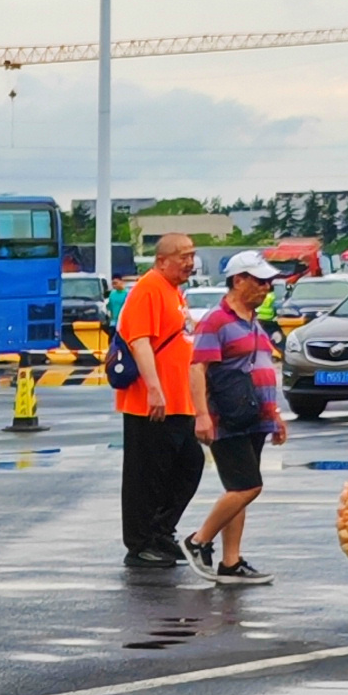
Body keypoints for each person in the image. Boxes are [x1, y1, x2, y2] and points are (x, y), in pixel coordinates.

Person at [186, 250, 287, 585]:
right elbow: (198, 369)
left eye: (269, 283)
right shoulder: (216, 321)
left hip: (254, 416)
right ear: (238, 280)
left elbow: (261, 370)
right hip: (226, 417)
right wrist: (202, 415)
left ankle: (231, 562)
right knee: (247, 486)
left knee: (238, 489)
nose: (266, 289)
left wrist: (275, 414)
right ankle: (198, 540)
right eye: (260, 282)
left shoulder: (252, 321)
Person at [115, 233, 205, 568]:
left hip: (179, 401)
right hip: (151, 403)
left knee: (188, 466)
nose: (189, 262)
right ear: (162, 259)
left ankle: (161, 531)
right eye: (183, 256)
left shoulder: (174, 292)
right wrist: (154, 388)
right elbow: (139, 342)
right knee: (145, 477)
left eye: (192, 255)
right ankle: (140, 544)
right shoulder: (148, 289)